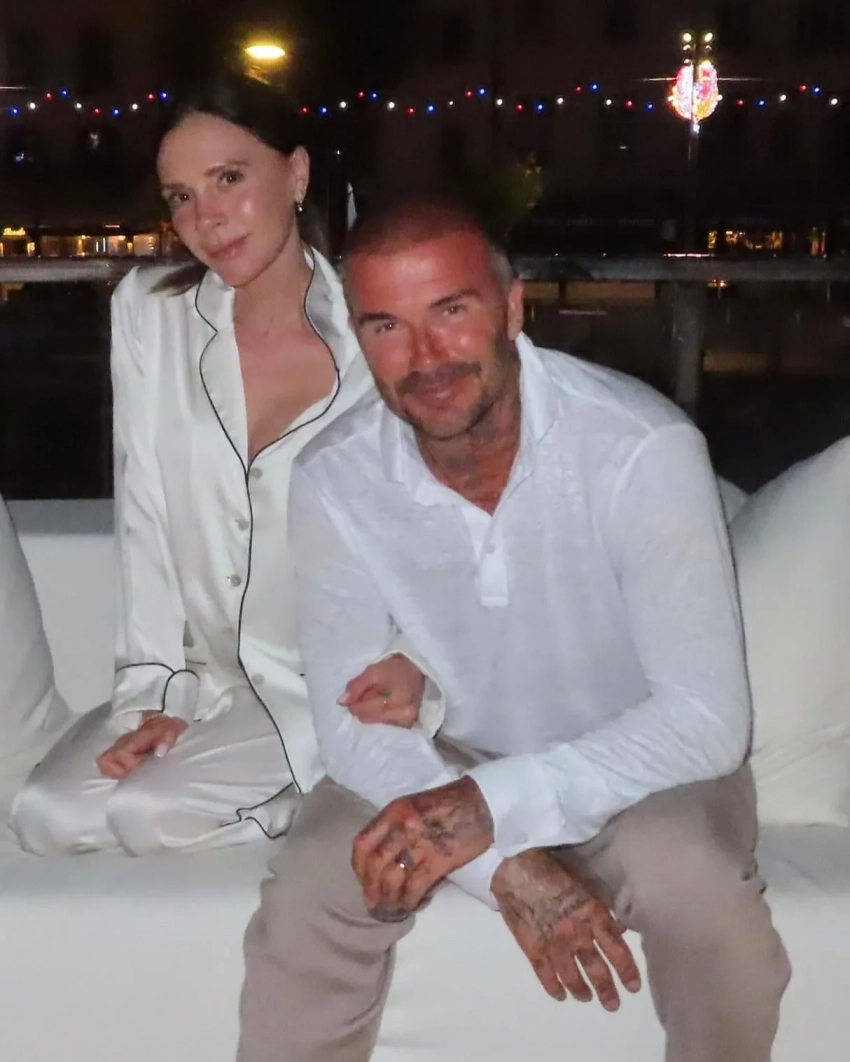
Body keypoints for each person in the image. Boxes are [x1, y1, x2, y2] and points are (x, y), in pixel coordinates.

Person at [237, 198, 791, 1062]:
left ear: (512, 308)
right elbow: (351, 726)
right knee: (313, 884)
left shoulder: (639, 446)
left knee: (699, 886)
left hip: (641, 767)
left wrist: (488, 810)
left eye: (450, 311)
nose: (424, 357)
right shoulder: (336, 477)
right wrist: (500, 861)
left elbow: (704, 720)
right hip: (450, 753)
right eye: (386, 326)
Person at [9, 74, 429, 857]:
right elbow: (144, 513)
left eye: (229, 178)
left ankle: (328, 797)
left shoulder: (377, 328)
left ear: (295, 174)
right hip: (207, 683)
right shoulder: (152, 313)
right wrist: (153, 696)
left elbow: (439, 516)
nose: (205, 218)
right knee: (45, 815)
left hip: (339, 682)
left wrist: (417, 657)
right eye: (180, 196)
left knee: (149, 815)